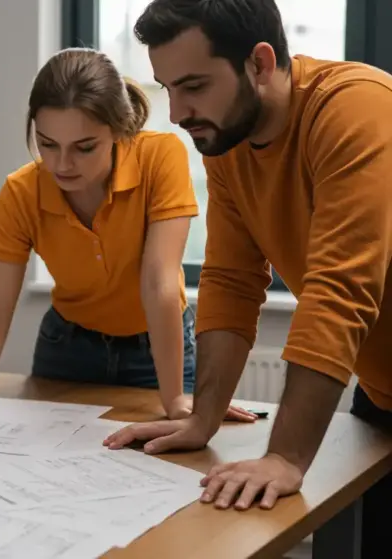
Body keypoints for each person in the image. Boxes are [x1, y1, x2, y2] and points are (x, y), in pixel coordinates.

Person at [102, 0, 392, 550]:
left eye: (194, 86)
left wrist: (284, 456)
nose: (177, 113)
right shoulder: (228, 141)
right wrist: (202, 418)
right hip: (382, 394)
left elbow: (340, 289)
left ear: (259, 63)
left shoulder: (357, 109)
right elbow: (232, 279)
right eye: (168, 89)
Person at [0, 48, 258, 423]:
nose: (62, 164)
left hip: (157, 349)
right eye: (47, 144)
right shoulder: (20, 193)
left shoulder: (159, 158)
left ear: (118, 130)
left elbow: (158, 283)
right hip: (67, 350)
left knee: (172, 445)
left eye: (84, 148)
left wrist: (174, 399)